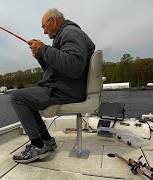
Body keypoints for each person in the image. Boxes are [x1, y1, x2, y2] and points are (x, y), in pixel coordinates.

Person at [11, 8, 95, 163]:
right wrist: (41, 56)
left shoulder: (70, 33)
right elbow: (56, 71)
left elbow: (74, 66)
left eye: (44, 26)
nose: (44, 32)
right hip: (66, 87)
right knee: (26, 98)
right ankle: (46, 140)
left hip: (67, 90)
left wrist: (43, 49)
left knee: (17, 97)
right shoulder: (66, 34)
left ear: (53, 21)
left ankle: (38, 146)